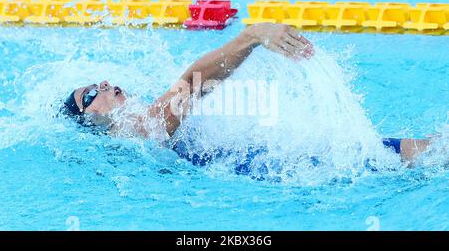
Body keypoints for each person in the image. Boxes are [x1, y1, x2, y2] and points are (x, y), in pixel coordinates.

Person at [60, 23, 431, 171]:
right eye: (91, 94)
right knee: (385, 156)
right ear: (88, 121)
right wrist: (249, 37)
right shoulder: (129, 131)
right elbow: (190, 85)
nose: (104, 86)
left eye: (102, 82)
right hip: (259, 167)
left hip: (252, 159)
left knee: (389, 153)